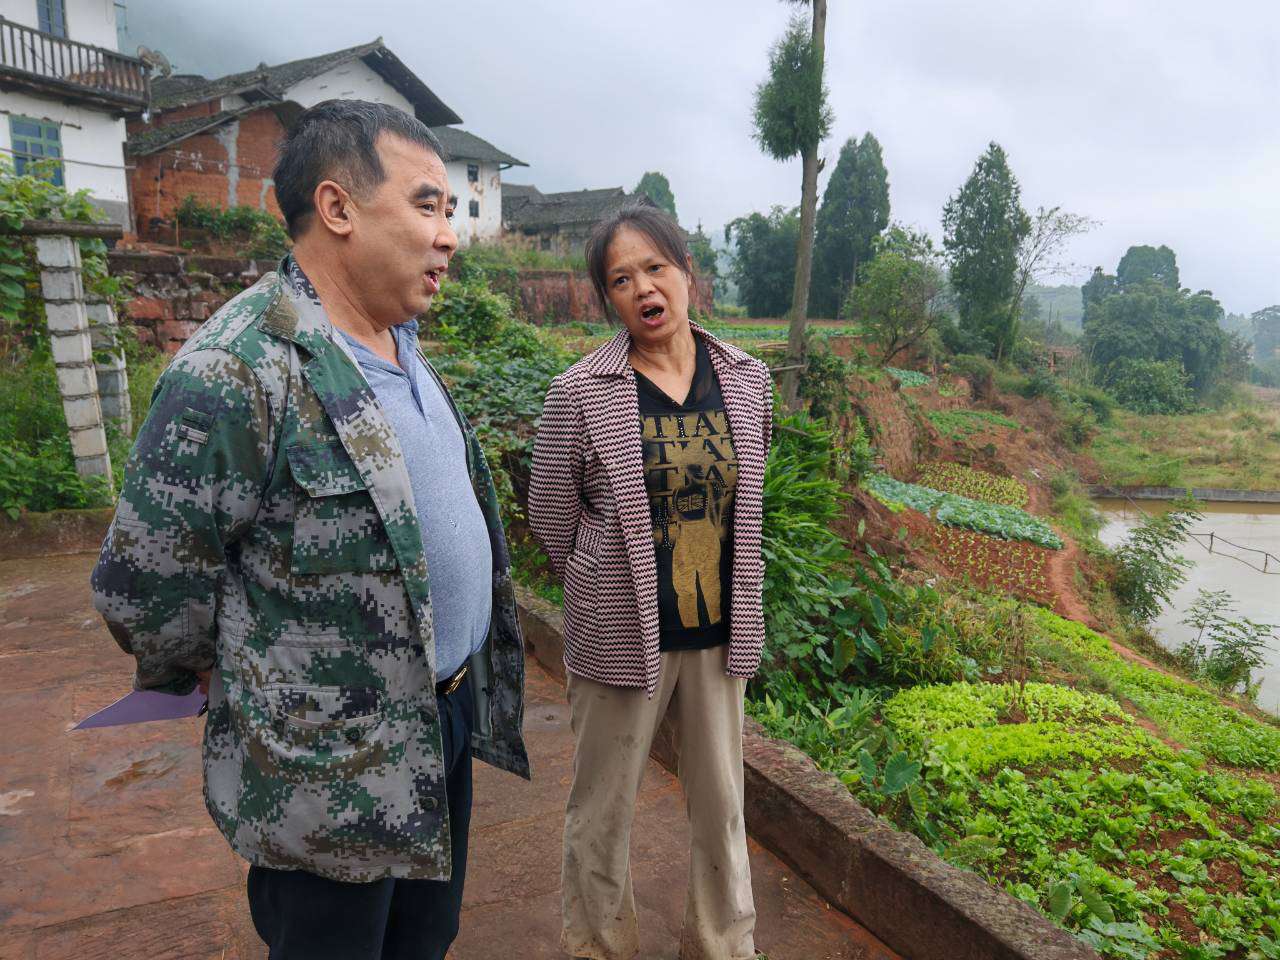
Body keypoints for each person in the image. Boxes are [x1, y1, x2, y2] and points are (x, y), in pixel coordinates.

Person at [90, 99, 529, 960]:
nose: (449, 236)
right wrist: (247, 684)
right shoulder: (238, 367)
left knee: (422, 940)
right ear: (337, 208)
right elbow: (143, 585)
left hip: (438, 725)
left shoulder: (399, 341)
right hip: (328, 773)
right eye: (428, 205)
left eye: (450, 210)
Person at [528, 205, 773, 960]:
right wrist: (601, 582)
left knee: (723, 807)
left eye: (655, 268)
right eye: (621, 279)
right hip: (620, 632)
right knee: (603, 811)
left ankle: (722, 945)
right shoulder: (581, 391)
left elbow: (749, 498)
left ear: (687, 272)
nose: (643, 289)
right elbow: (550, 512)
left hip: (718, 632)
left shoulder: (747, 380)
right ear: (610, 298)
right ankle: (600, 947)